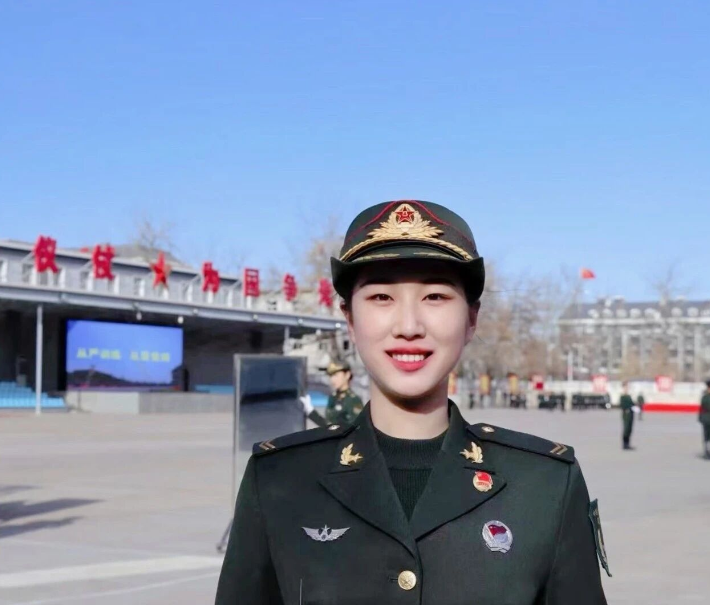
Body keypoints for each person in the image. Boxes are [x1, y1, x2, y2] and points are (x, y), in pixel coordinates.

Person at [216, 200, 609, 605]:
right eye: (381, 297)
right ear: (349, 319)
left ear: (471, 319)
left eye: (435, 296)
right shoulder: (280, 480)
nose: (408, 327)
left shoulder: (544, 486)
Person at [323, 360, 364, 425]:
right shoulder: (333, 397)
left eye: (335, 375)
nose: (332, 379)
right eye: (331, 376)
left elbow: (357, 427)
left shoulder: (353, 400)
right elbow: (327, 424)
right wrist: (311, 412)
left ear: (347, 375)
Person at [620, 382, 635, 450]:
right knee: (626, 429)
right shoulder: (622, 396)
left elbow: (632, 403)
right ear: (623, 387)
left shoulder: (629, 396)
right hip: (626, 414)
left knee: (629, 429)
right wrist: (628, 408)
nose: (627, 388)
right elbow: (622, 405)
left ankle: (628, 444)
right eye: (626, 387)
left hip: (631, 414)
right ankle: (625, 444)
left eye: (628, 387)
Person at [699, 380, 710, 459]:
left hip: (706, 418)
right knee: (707, 436)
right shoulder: (705, 397)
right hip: (707, 419)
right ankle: (707, 451)